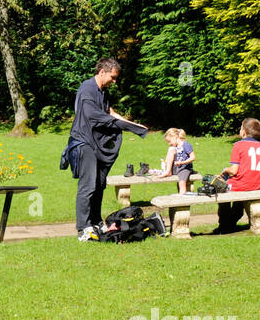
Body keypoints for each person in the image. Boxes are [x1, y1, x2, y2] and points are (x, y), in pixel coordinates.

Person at [66, 58, 147, 241]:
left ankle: (95, 221)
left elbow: (110, 112)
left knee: (99, 184)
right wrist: (117, 123)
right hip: (83, 141)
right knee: (88, 186)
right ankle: (83, 229)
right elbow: (91, 115)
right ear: (102, 72)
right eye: (113, 77)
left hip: (98, 144)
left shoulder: (103, 92)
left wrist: (132, 125)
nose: (114, 81)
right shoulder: (87, 88)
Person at [214, 118, 260, 233]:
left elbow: (233, 170)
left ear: (243, 131)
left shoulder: (239, 145)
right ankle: (232, 220)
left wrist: (225, 170)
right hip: (259, 184)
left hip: (244, 184)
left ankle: (224, 224)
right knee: (235, 190)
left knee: (219, 187)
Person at [157, 127, 196, 194]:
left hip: (184, 168)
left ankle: (182, 197)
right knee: (171, 149)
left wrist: (182, 162)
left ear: (176, 137)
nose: (169, 143)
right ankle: (167, 171)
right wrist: (165, 163)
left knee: (181, 183)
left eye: (169, 141)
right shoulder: (174, 147)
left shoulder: (186, 144)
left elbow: (193, 157)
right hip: (177, 168)